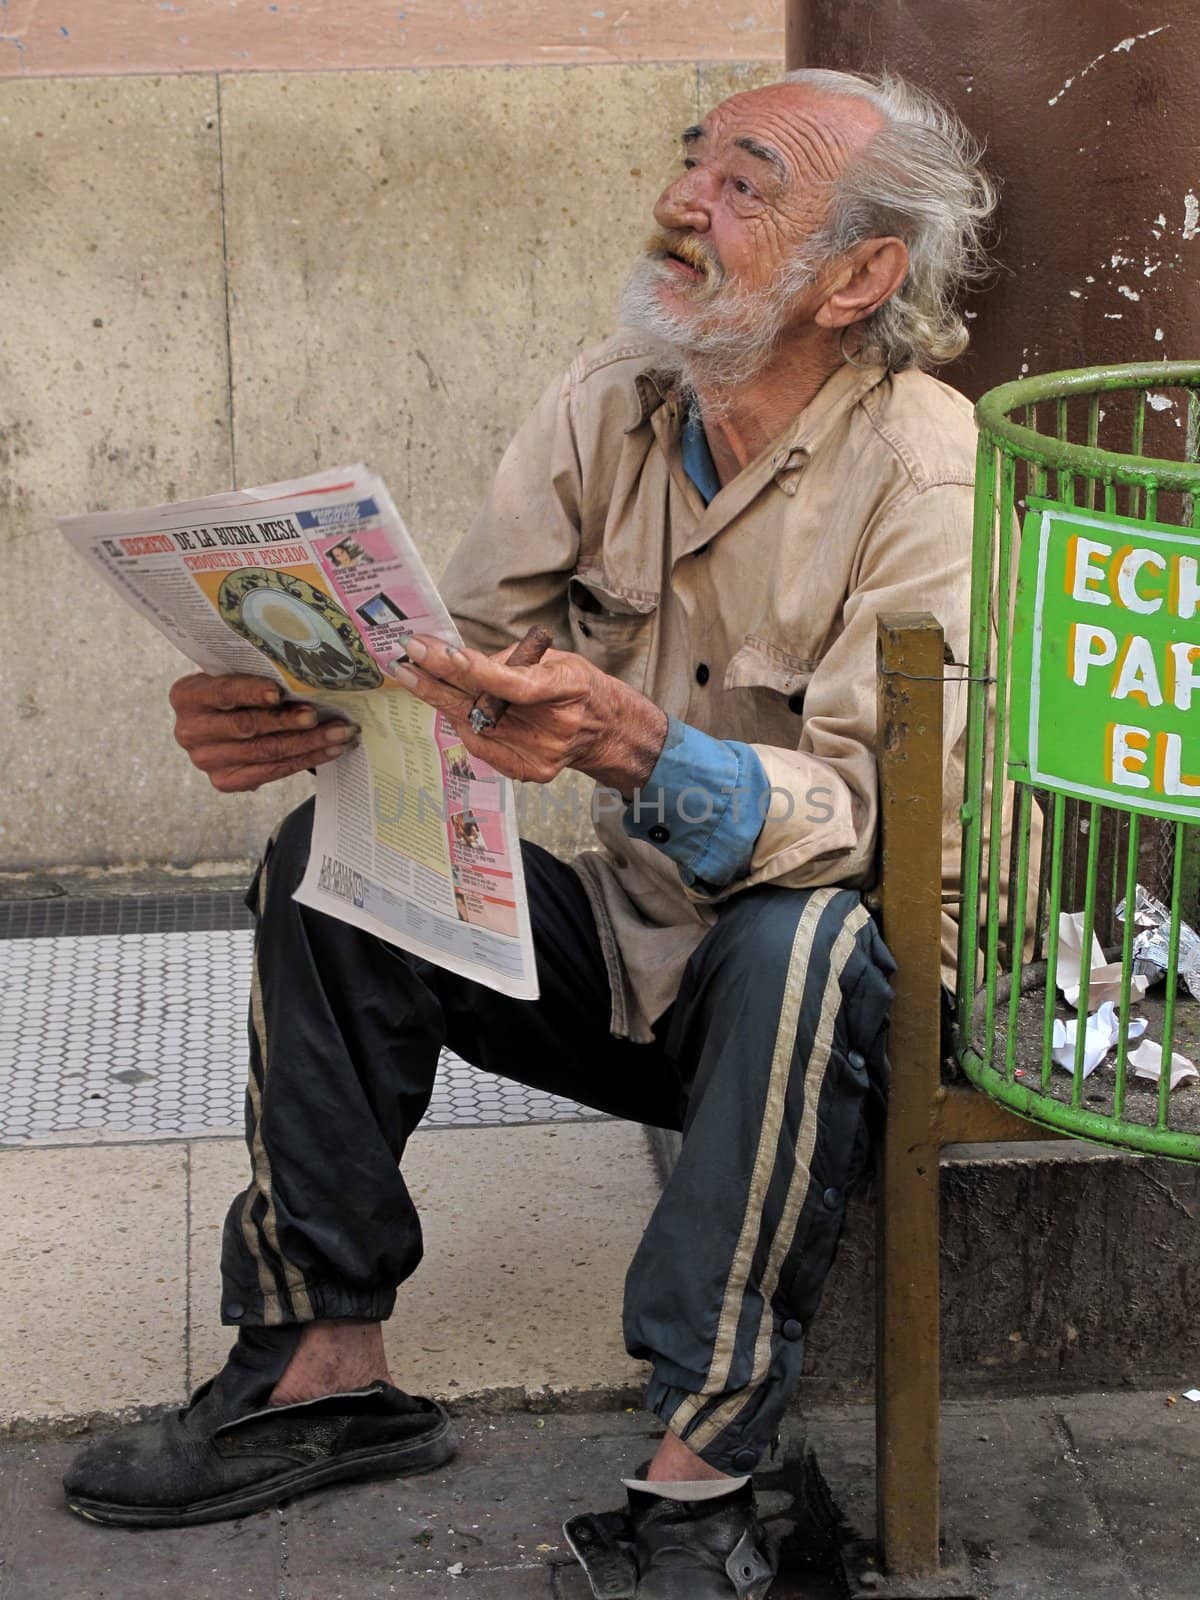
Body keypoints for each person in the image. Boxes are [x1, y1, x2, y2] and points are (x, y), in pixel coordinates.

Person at [64, 68, 996, 1598]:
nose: (682, 204)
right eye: (690, 164)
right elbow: (462, 664)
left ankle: (700, 1486)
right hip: (645, 958)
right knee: (327, 874)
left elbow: (883, 834)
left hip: (851, 999)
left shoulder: (924, 469)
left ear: (861, 278)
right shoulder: (611, 400)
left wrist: (644, 747)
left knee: (805, 939)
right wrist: (299, 703)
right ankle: (320, 1364)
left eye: (744, 184)